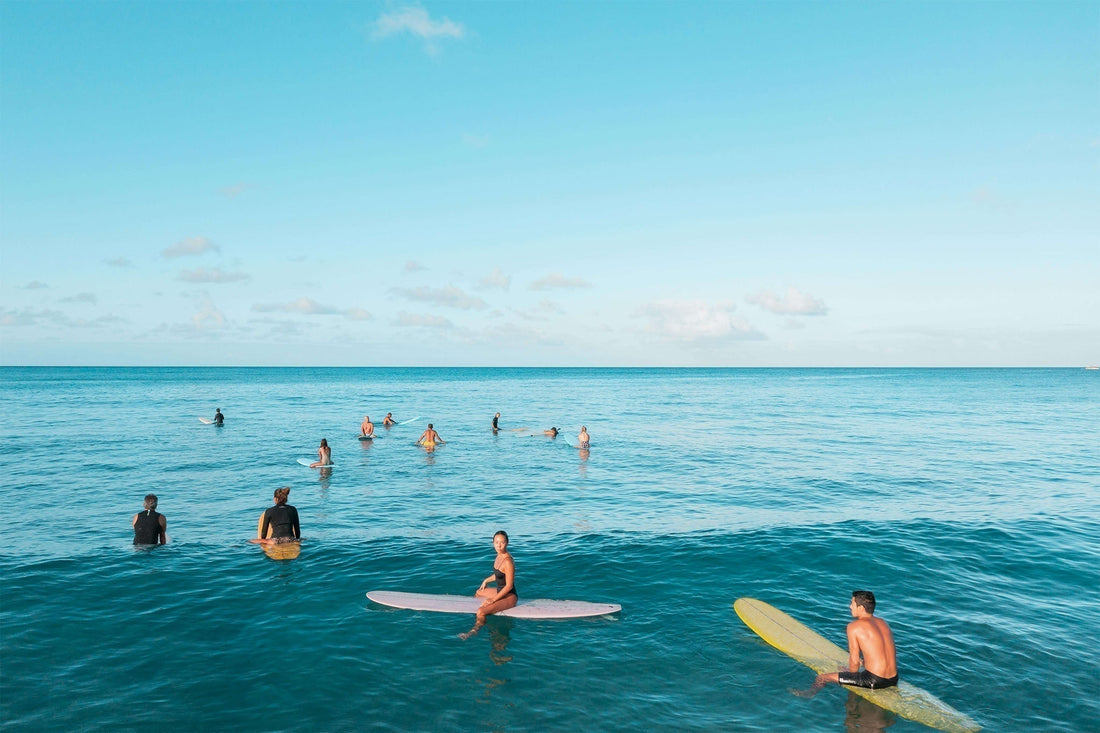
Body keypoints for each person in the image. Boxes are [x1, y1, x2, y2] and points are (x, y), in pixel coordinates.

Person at [811, 591, 898, 691]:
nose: (850, 606)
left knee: (822, 678)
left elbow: (854, 660)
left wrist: (851, 675)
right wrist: (863, 663)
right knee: (860, 663)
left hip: (874, 681)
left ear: (861, 608)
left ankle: (808, 695)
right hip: (893, 679)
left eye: (852, 603)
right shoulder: (883, 623)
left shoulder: (854, 627)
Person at [459, 530, 518, 639]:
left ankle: (474, 630)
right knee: (479, 592)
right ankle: (484, 610)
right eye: (496, 542)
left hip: (509, 596)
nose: (499, 545)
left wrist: (493, 600)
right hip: (500, 591)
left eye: (502, 542)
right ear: (493, 543)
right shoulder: (499, 556)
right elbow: (499, 575)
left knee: (481, 611)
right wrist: (486, 580)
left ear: (507, 543)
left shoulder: (508, 561)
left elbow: (509, 585)